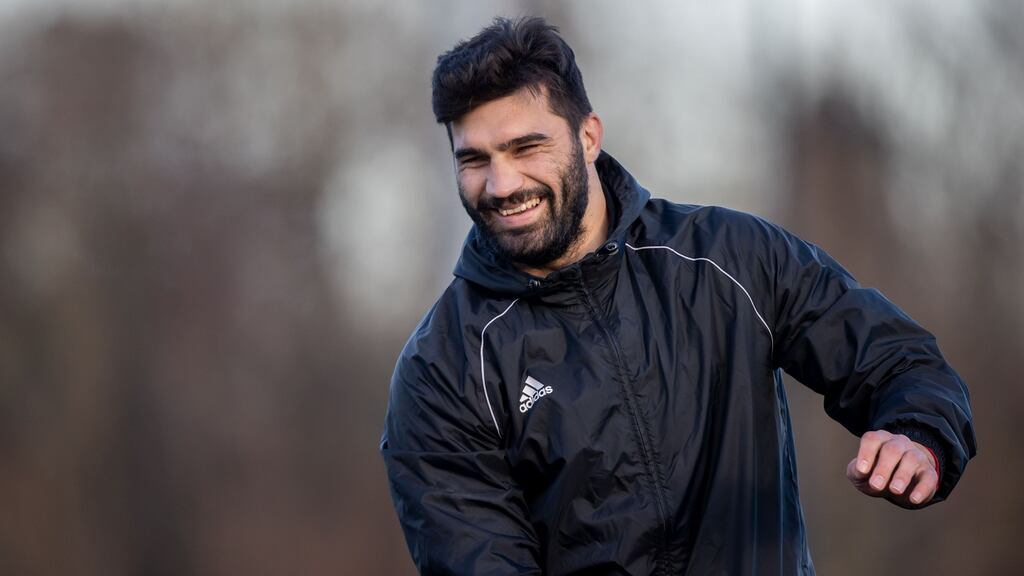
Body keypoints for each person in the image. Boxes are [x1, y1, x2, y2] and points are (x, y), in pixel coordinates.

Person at [380, 16, 976, 575]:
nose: (501, 184)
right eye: (474, 160)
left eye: (525, 147)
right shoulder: (443, 371)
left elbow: (901, 362)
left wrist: (918, 435)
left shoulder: (731, 256)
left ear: (588, 137)